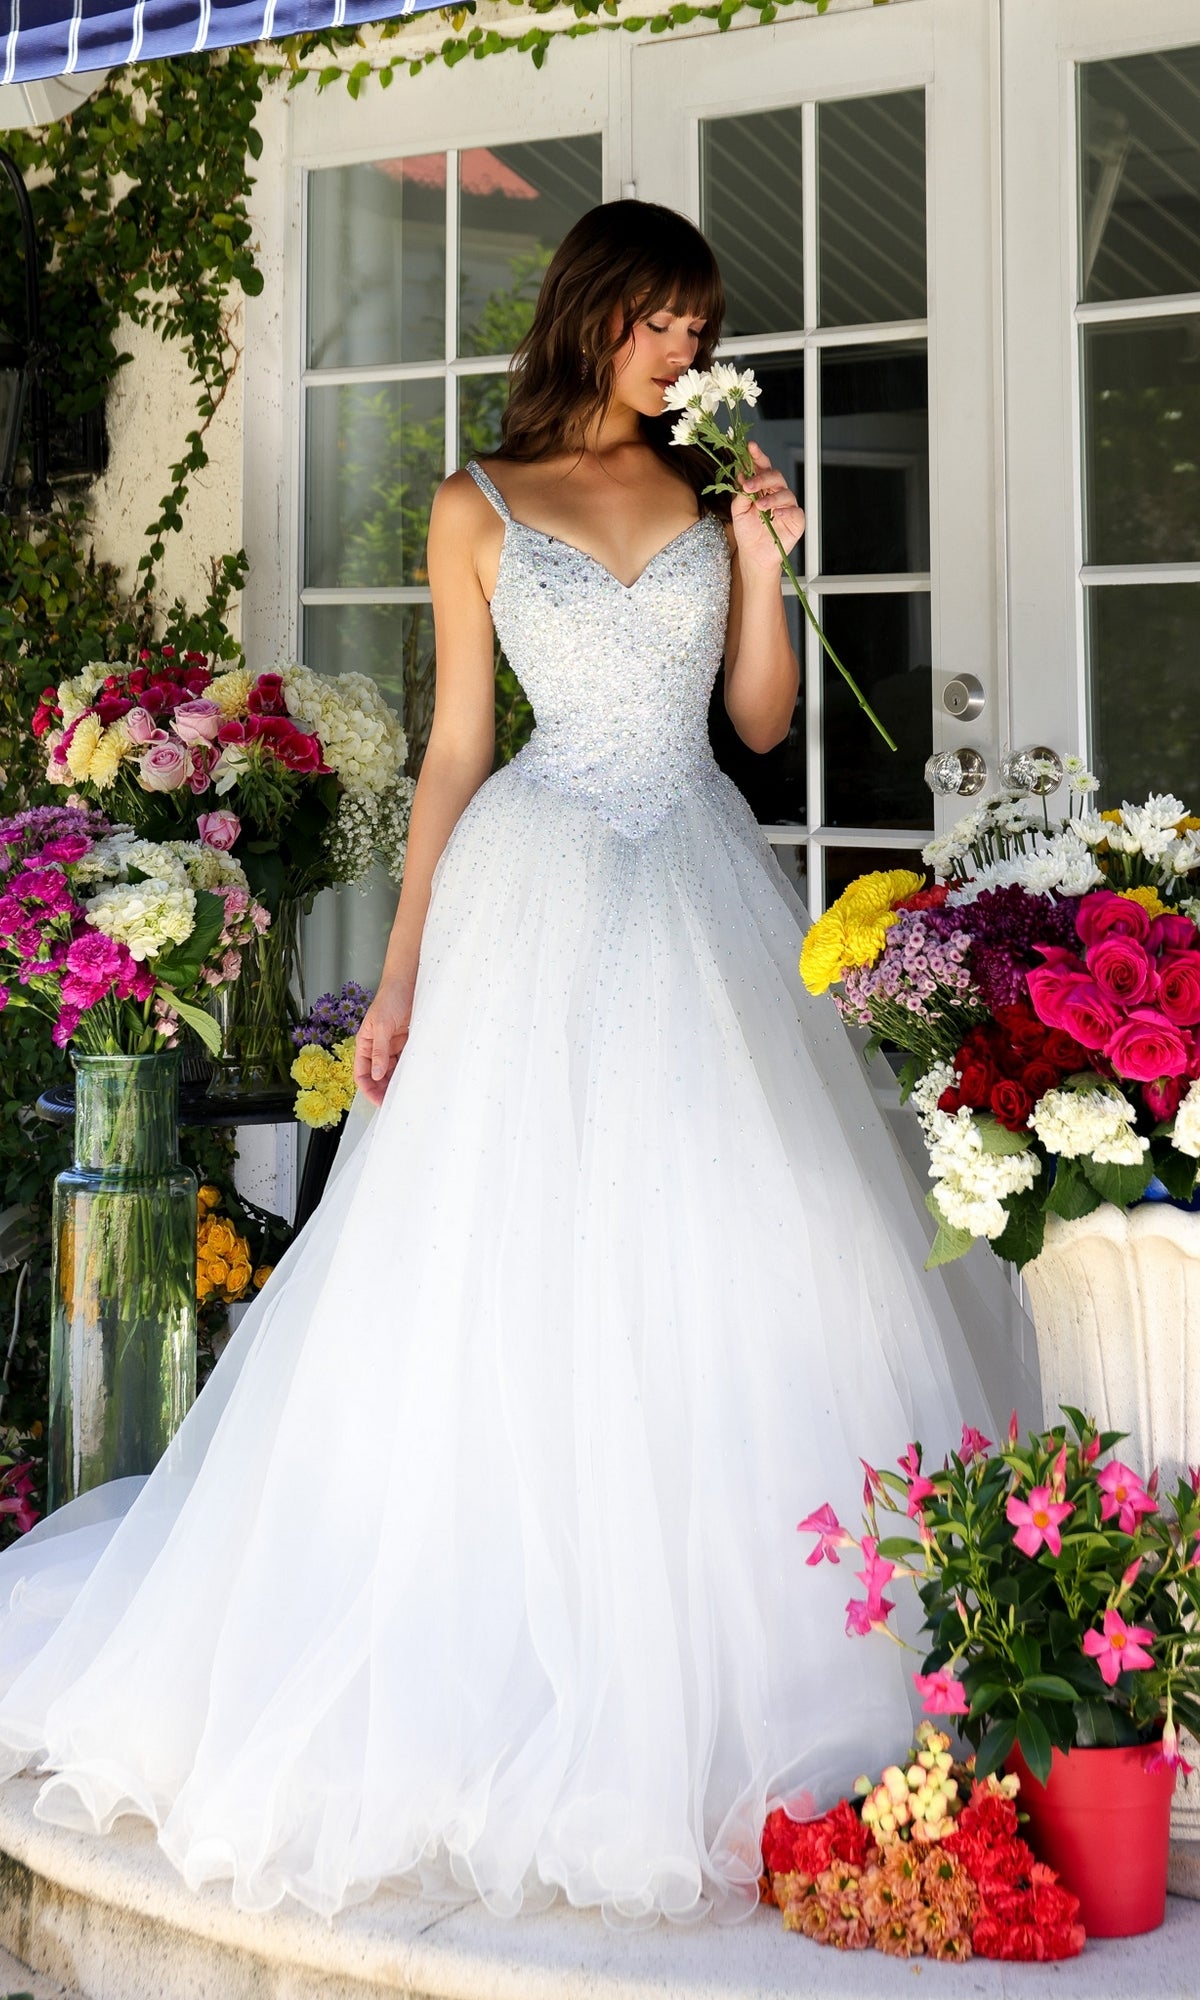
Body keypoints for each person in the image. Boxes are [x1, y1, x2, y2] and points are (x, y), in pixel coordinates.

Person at [0, 202, 1027, 1931]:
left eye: (700, 331)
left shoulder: (711, 497)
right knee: (494, 1252)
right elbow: (463, 746)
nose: (688, 356)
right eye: (666, 325)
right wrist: (398, 975)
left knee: (733, 1230)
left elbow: (763, 726)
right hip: (536, 884)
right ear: (598, 315)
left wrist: (771, 555)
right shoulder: (473, 503)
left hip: (693, 868)